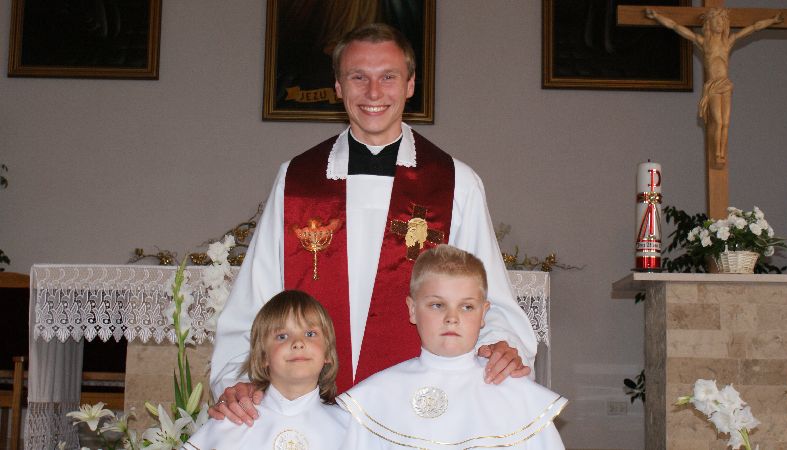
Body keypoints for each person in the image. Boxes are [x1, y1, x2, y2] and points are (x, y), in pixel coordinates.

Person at [209, 23, 538, 426]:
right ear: (338, 86)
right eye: (358, 77)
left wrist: (500, 346)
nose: (374, 92)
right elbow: (257, 299)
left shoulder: (455, 183)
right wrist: (239, 379)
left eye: (388, 77)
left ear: (410, 85)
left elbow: (488, 298)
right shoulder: (298, 181)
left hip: (419, 411)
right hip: (311, 410)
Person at [337, 245, 567, 449]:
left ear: (484, 313)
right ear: (413, 310)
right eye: (437, 305)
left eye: (466, 307)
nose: (452, 318)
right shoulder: (378, 397)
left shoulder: (519, 397)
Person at [184, 290, 348, 449]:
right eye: (282, 336)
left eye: (310, 334)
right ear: (263, 357)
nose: (298, 343)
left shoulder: (348, 428)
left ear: (327, 353)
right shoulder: (232, 421)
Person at [644, 8, 783, 170]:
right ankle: (716, 153)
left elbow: (753, 28)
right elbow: (675, 26)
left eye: (722, 20)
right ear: (709, 23)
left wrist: (773, 21)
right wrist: (657, 16)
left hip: (726, 84)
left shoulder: (728, 42)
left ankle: (721, 153)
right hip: (713, 86)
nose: (719, 23)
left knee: (726, 122)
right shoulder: (703, 42)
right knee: (718, 121)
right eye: (716, 20)